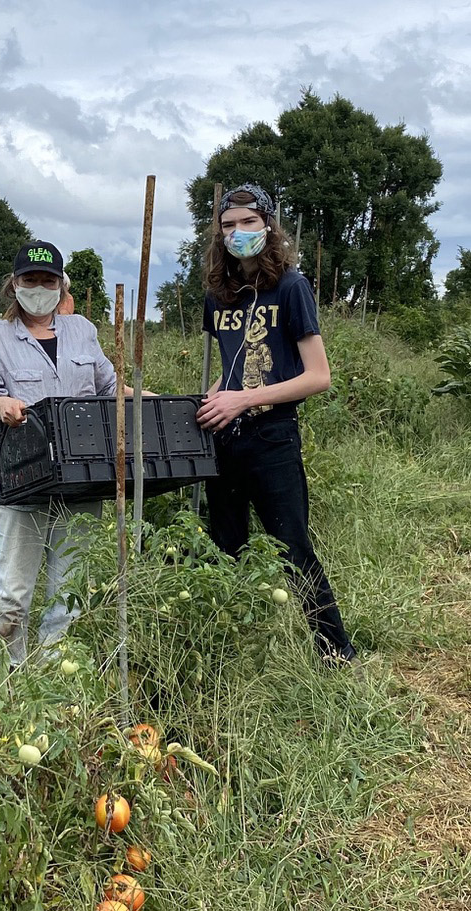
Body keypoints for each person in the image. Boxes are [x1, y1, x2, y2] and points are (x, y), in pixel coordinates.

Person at [196, 184, 357, 665]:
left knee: (292, 547)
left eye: (249, 222)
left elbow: (318, 376)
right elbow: (223, 368)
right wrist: (218, 399)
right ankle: (229, 655)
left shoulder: (291, 286)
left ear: (268, 226)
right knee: (225, 548)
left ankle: (336, 652)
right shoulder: (217, 295)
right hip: (224, 439)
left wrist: (243, 400)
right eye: (229, 225)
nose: (239, 233)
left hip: (272, 437)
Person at [0, 241, 137, 667]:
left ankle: (52, 680)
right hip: (22, 481)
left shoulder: (82, 330)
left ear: (61, 285)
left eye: (48, 280)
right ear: (15, 285)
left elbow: (109, 390)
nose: (39, 287)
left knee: (68, 592)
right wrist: (1, 406)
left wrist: (154, 400)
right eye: (31, 280)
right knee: (12, 591)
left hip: (82, 478)